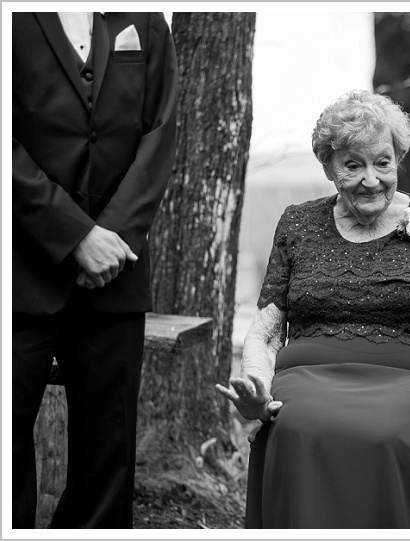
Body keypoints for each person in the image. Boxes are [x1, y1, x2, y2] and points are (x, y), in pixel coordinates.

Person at [216, 90, 410, 528]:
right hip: (306, 381)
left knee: (390, 433)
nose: (371, 180)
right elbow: (267, 329)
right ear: (329, 168)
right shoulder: (298, 222)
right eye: (353, 165)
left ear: (398, 159)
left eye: (382, 163)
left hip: (404, 384)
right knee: (300, 426)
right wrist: (258, 384)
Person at [12, 12, 178, 528]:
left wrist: (114, 239)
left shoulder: (145, 21)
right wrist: (75, 235)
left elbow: (160, 132)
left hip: (115, 276)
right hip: (17, 272)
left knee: (108, 460)